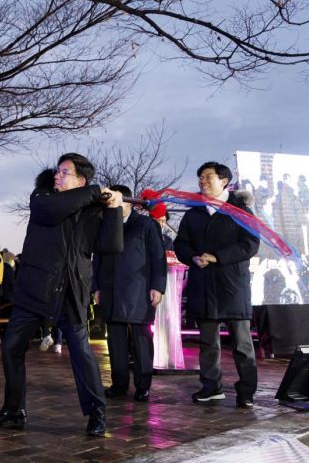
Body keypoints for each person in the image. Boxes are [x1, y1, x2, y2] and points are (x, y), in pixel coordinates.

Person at [0, 154, 123, 436]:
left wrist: (114, 210)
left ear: (80, 180)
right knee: (12, 347)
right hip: (35, 288)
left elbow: (111, 245)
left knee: (82, 353)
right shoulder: (43, 197)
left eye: (64, 172)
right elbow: (53, 210)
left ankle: (97, 413)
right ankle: (14, 410)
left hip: (70, 290)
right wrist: (95, 192)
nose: (57, 175)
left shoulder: (93, 209)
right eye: (58, 171)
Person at [174, 161, 260, 408]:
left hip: (232, 285)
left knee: (242, 344)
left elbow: (250, 244)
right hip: (203, 285)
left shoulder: (240, 211)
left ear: (224, 181)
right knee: (208, 342)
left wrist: (217, 257)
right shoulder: (193, 213)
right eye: (200, 177)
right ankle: (211, 387)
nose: (202, 181)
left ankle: (246, 391)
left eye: (208, 177)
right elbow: (181, 244)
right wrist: (192, 256)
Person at [93, 185, 167, 402]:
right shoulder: (104, 224)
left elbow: (158, 258)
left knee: (141, 340)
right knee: (114, 341)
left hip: (140, 290)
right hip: (110, 289)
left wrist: (158, 286)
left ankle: (143, 385)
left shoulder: (146, 224)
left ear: (128, 201)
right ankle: (119, 384)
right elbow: (97, 258)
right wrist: (96, 286)